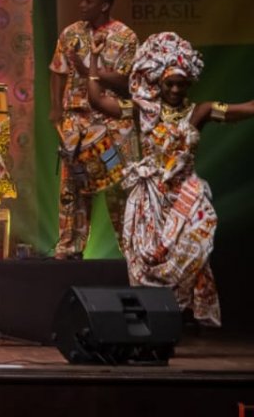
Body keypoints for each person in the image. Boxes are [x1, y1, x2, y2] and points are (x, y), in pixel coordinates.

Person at [87, 31, 253, 326]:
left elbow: (246, 109)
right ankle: (156, 314)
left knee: (194, 250)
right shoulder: (142, 111)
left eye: (181, 84)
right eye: (170, 83)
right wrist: (94, 59)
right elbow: (98, 101)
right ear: (158, 82)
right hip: (150, 196)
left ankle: (184, 313)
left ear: (189, 83)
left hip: (186, 194)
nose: (176, 89)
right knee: (148, 258)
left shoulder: (200, 112)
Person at [49, 0, 138, 258]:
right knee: (74, 186)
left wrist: (91, 71)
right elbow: (58, 71)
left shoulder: (125, 37)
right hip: (77, 123)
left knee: (117, 186)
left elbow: (127, 82)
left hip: (112, 125)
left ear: (104, 6)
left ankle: (132, 250)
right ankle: (70, 248)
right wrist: (56, 108)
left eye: (88, 1)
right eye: (82, 0)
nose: (82, 5)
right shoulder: (71, 33)